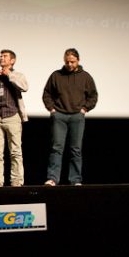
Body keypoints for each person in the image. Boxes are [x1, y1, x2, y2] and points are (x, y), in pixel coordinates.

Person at [42, 48, 98, 186]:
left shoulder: (85, 77)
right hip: (59, 116)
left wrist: (85, 109)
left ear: (78, 60)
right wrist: (52, 109)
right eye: (67, 62)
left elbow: (93, 96)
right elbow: (47, 93)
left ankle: (75, 180)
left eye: (72, 62)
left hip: (77, 117)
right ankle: (53, 178)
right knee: (56, 148)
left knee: (76, 149)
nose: (69, 64)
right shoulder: (56, 75)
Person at [0, 49, 29, 187]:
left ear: (12, 60)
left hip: (12, 116)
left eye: (5, 56)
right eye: (1, 56)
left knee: (15, 151)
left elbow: (24, 87)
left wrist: (9, 74)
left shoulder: (18, 75)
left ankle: (17, 181)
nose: (2, 58)